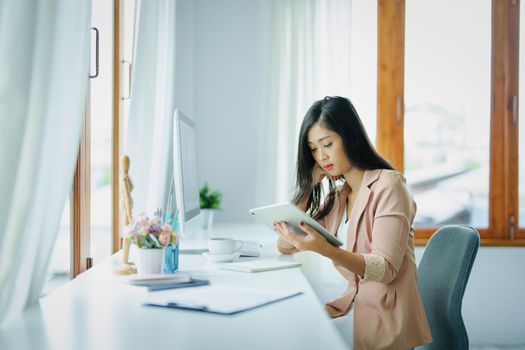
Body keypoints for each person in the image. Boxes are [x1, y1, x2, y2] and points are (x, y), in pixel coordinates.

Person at [274, 96, 432, 349]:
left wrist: (325, 249)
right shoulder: (340, 195)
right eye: (313, 149)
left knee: (299, 338)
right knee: (290, 326)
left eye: (327, 144)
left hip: (385, 317)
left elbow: (385, 268)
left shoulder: (390, 185)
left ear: (350, 136)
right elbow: (286, 244)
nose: (321, 156)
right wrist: (308, 186)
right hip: (354, 307)